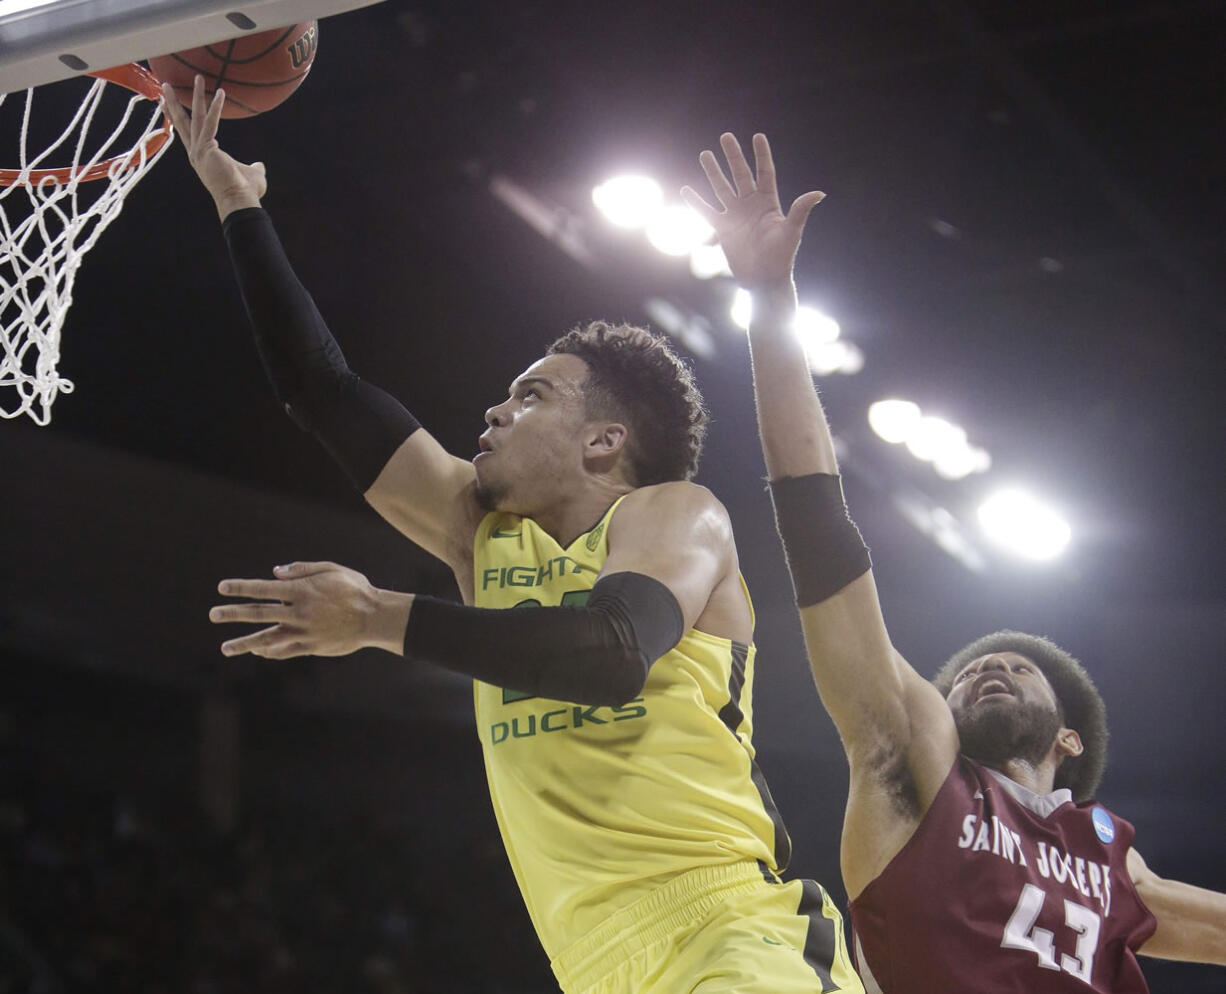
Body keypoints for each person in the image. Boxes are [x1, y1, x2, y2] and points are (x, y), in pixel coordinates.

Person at [163, 79, 863, 994]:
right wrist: (236, 204)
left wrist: (377, 615)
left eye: (531, 394)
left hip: (733, 934)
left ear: (605, 440)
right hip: (596, 969)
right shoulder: (483, 537)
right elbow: (324, 393)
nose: (495, 409)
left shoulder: (674, 516)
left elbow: (610, 651)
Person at [682, 131, 1226, 992]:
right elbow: (821, 530)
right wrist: (770, 302)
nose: (993, 667)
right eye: (972, 669)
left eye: (1018, 668)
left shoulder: (1116, 863)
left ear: (1070, 739)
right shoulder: (914, 759)